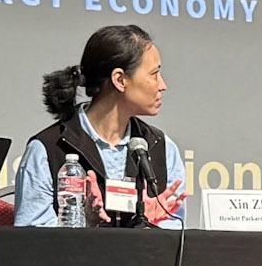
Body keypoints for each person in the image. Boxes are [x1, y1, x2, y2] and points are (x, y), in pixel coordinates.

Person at [14, 25, 186, 227]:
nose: (162, 85)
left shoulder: (161, 148)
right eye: (154, 74)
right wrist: (85, 224)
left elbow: (176, 235)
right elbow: (32, 239)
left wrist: (147, 225)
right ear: (120, 80)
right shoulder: (48, 149)